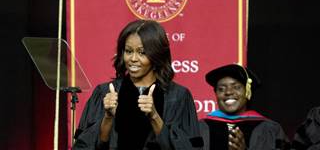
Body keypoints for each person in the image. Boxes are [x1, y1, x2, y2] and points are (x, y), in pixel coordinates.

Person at [72, 19, 203, 150]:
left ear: (156, 55)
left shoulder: (178, 96)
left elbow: (189, 147)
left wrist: (154, 116)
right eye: (128, 51)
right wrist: (108, 117)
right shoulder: (105, 92)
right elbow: (84, 146)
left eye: (142, 52)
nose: (133, 59)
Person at [199, 63, 290, 150]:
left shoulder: (270, 129)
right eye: (221, 89)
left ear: (247, 91)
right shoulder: (200, 128)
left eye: (236, 87)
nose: (228, 92)